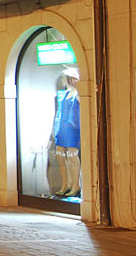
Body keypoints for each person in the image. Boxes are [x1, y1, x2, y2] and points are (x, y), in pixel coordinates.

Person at [52, 67, 81, 198]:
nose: (64, 80)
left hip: (72, 130)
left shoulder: (77, 94)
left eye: (66, 77)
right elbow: (59, 113)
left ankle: (76, 185)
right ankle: (66, 184)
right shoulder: (64, 94)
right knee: (61, 157)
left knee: (72, 157)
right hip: (62, 129)